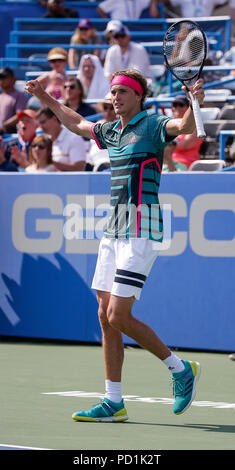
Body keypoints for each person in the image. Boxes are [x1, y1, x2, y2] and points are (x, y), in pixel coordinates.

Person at [25, 68, 204, 422]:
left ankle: (180, 369)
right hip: (113, 230)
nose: (115, 97)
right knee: (104, 317)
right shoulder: (111, 131)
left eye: (122, 91)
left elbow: (184, 129)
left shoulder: (153, 126)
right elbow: (77, 123)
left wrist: (194, 104)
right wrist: (45, 98)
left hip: (142, 227)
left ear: (138, 95)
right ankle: (114, 401)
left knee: (117, 315)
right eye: (112, 92)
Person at [36, 107, 86, 171]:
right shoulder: (42, 140)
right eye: (39, 124)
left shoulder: (74, 139)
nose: (40, 127)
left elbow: (79, 168)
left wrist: (50, 163)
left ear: (54, 119)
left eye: (43, 122)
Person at [163, 95, 204, 171]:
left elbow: (186, 144)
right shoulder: (170, 125)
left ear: (188, 108)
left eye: (181, 105)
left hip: (186, 165)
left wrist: (164, 143)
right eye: (175, 105)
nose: (177, 108)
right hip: (166, 164)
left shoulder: (195, 125)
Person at [86, 92, 117, 171]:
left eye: (111, 108)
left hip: (112, 167)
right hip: (96, 166)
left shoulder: (123, 125)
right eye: (105, 107)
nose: (108, 111)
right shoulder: (95, 125)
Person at [0, 67, 28, 134]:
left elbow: (21, 115)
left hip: (10, 134)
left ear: (13, 79)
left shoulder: (20, 96)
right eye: (0, 78)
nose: (2, 80)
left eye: (5, 77)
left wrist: (4, 125)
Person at [161, 0, 228, 17]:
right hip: (186, 30)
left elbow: (224, 1)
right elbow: (166, 1)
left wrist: (213, 8)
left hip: (207, 30)